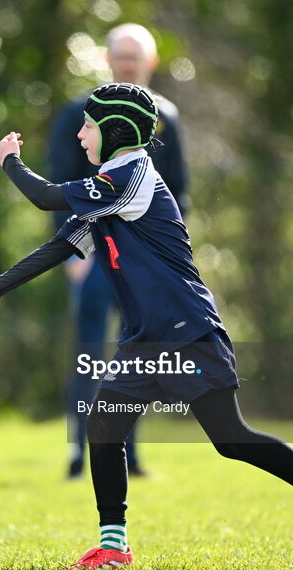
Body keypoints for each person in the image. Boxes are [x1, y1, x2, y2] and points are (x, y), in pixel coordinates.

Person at [0, 83, 293, 568]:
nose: (80, 136)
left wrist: (12, 160)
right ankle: (113, 546)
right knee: (103, 427)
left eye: (88, 126)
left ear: (115, 132)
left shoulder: (132, 177)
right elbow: (62, 245)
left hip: (186, 329)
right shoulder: (108, 187)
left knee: (229, 438)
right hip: (146, 337)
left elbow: (45, 197)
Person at [47, 23, 189, 479]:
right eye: (121, 55)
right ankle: (78, 450)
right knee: (88, 350)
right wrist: (73, 254)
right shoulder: (77, 115)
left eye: (136, 56)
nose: (128, 63)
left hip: (142, 262)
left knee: (139, 353)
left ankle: (129, 451)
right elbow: (59, 186)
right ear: (108, 60)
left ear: (151, 62)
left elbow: (179, 193)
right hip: (91, 257)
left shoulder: (167, 117)